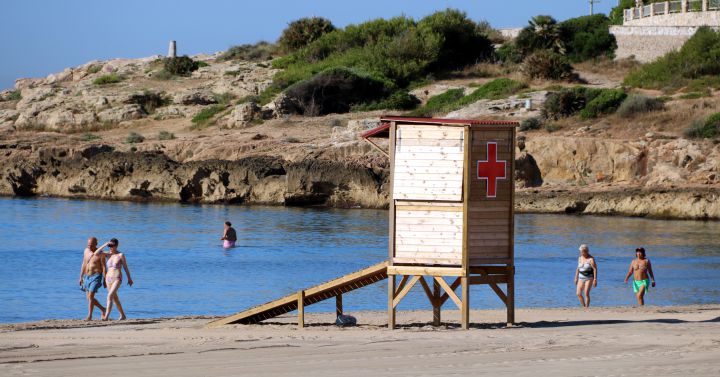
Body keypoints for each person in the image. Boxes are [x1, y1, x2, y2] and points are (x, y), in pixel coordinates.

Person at [94, 238, 133, 320]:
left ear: (116, 245)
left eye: (112, 245)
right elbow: (95, 254)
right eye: (110, 246)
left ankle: (106, 316)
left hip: (117, 277)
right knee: (115, 298)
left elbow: (125, 267)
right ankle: (123, 315)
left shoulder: (120, 255)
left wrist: (129, 278)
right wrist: (105, 244)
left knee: (109, 296)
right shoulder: (107, 254)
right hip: (108, 279)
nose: (110, 247)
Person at [79, 237, 106, 320]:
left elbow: (104, 267)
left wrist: (104, 280)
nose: (89, 247)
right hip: (86, 276)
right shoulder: (86, 251)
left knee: (90, 297)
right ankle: (103, 309)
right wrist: (80, 276)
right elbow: (84, 263)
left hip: (96, 276)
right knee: (89, 298)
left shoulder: (100, 254)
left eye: (91, 245)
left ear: (96, 244)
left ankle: (89, 316)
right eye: (88, 245)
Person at [573, 244, 598, 308]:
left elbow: (595, 269)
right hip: (580, 278)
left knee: (586, 293)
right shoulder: (580, 258)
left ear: (586, 251)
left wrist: (595, 279)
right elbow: (578, 268)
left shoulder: (591, 259)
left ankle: (587, 307)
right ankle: (584, 306)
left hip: (589, 278)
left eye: (582, 251)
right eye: (580, 251)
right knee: (578, 293)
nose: (581, 253)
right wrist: (576, 277)